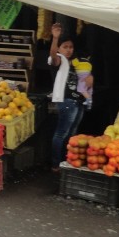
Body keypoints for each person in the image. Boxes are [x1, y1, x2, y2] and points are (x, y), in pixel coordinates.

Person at [48, 23, 87, 171]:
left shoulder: (75, 62)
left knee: (72, 133)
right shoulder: (59, 60)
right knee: (61, 133)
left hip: (78, 101)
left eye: (70, 47)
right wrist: (55, 38)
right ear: (59, 48)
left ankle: (67, 161)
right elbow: (53, 55)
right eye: (65, 47)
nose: (69, 50)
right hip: (66, 101)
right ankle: (56, 164)